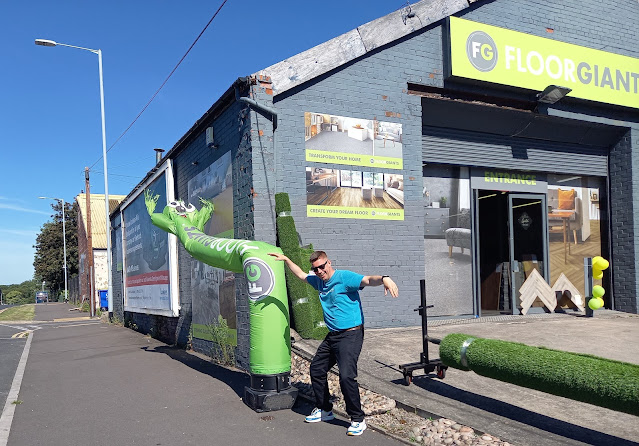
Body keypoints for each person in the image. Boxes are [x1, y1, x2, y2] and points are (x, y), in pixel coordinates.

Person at [268, 250, 398, 436]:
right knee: (317, 369)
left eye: (322, 266)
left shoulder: (344, 277)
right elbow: (302, 275)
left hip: (351, 334)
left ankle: (357, 419)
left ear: (329, 263)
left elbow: (368, 280)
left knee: (346, 377)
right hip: (333, 335)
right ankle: (324, 410)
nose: (320, 271)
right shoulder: (318, 281)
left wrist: (385, 278)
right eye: (316, 268)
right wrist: (287, 259)